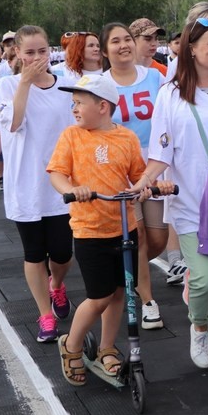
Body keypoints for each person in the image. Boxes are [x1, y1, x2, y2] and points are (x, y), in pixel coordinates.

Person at [134, 16, 208, 372]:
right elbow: (160, 153)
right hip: (190, 204)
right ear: (191, 49)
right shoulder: (170, 95)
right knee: (205, 278)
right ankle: (199, 327)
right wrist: (144, 181)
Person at [48, 75, 151, 385]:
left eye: (80, 103)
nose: (74, 108)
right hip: (90, 230)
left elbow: (139, 176)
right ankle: (72, 344)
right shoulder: (72, 136)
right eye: (73, 103)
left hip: (123, 228)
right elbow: (56, 173)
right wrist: (72, 189)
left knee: (120, 291)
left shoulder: (127, 139)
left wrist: (148, 187)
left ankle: (107, 346)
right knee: (99, 297)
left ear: (103, 106)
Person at [0, 25, 75, 343]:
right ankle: (45, 315)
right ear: (18, 54)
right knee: (34, 254)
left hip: (61, 185)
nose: (37, 58)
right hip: (25, 185)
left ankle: (56, 285)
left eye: (42, 51)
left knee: (63, 253)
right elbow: (12, 123)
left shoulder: (67, 86)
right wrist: (24, 82)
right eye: (30, 52)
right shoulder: (7, 85)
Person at [102, 23, 166, 330]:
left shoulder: (155, 76)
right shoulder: (99, 84)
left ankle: (131, 273)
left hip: (153, 168)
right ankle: (149, 302)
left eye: (127, 39)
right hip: (120, 172)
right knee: (138, 237)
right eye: (116, 41)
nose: (123, 45)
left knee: (158, 239)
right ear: (105, 50)